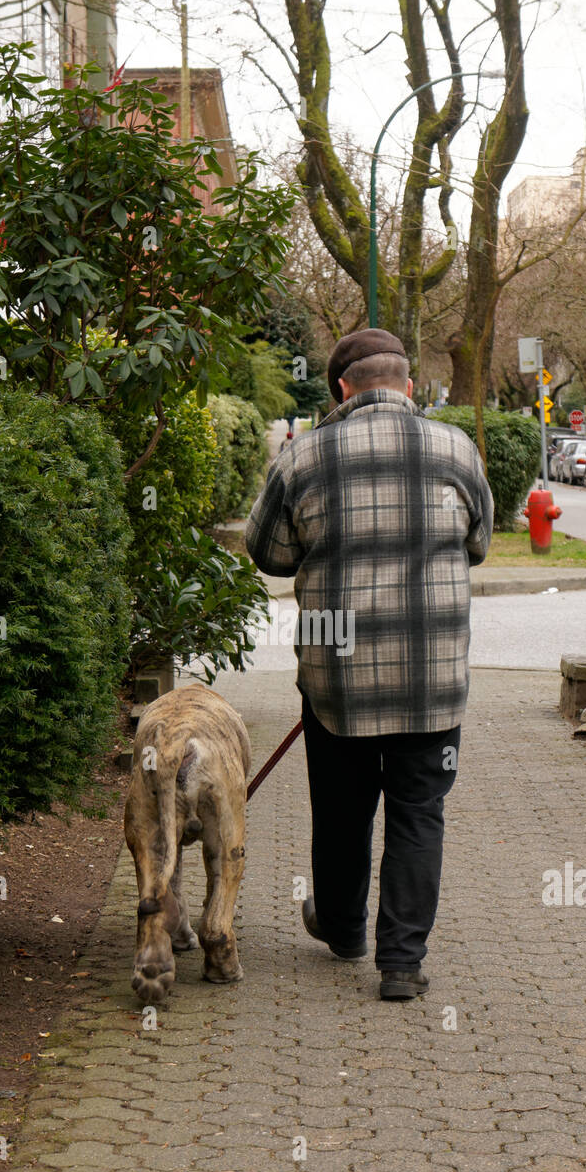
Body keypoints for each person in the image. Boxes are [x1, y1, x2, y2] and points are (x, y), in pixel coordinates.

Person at [245, 329, 493, 1000]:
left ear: (339, 390)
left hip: (338, 681)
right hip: (432, 679)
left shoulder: (304, 458)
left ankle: (344, 928)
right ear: (408, 386)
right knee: (419, 813)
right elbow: (477, 543)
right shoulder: (457, 449)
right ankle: (401, 964)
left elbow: (267, 553)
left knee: (341, 809)